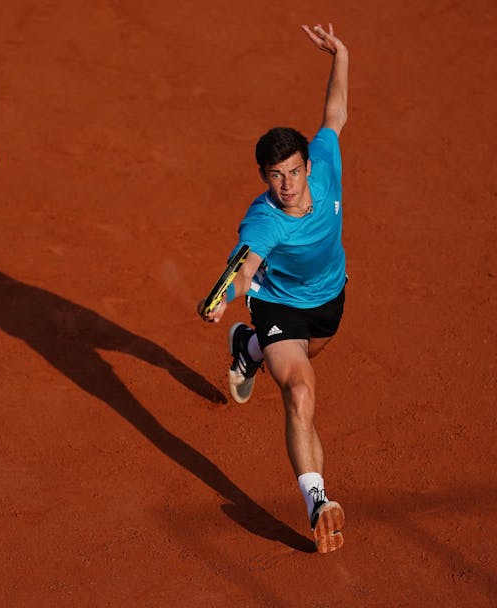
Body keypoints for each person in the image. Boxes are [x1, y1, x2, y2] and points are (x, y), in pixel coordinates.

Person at [199, 23, 349, 554]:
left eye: (292, 172)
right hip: (277, 301)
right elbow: (245, 268)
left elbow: (334, 116)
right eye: (273, 176)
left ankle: (249, 347)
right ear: (264, 177)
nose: (285, 185)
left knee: (304, 358)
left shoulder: (326, 164)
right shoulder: (264, 221)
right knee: (300, 391)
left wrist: (341, 56)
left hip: (329, 300)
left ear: (308, 166)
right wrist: (229, 295)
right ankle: (317, 502)